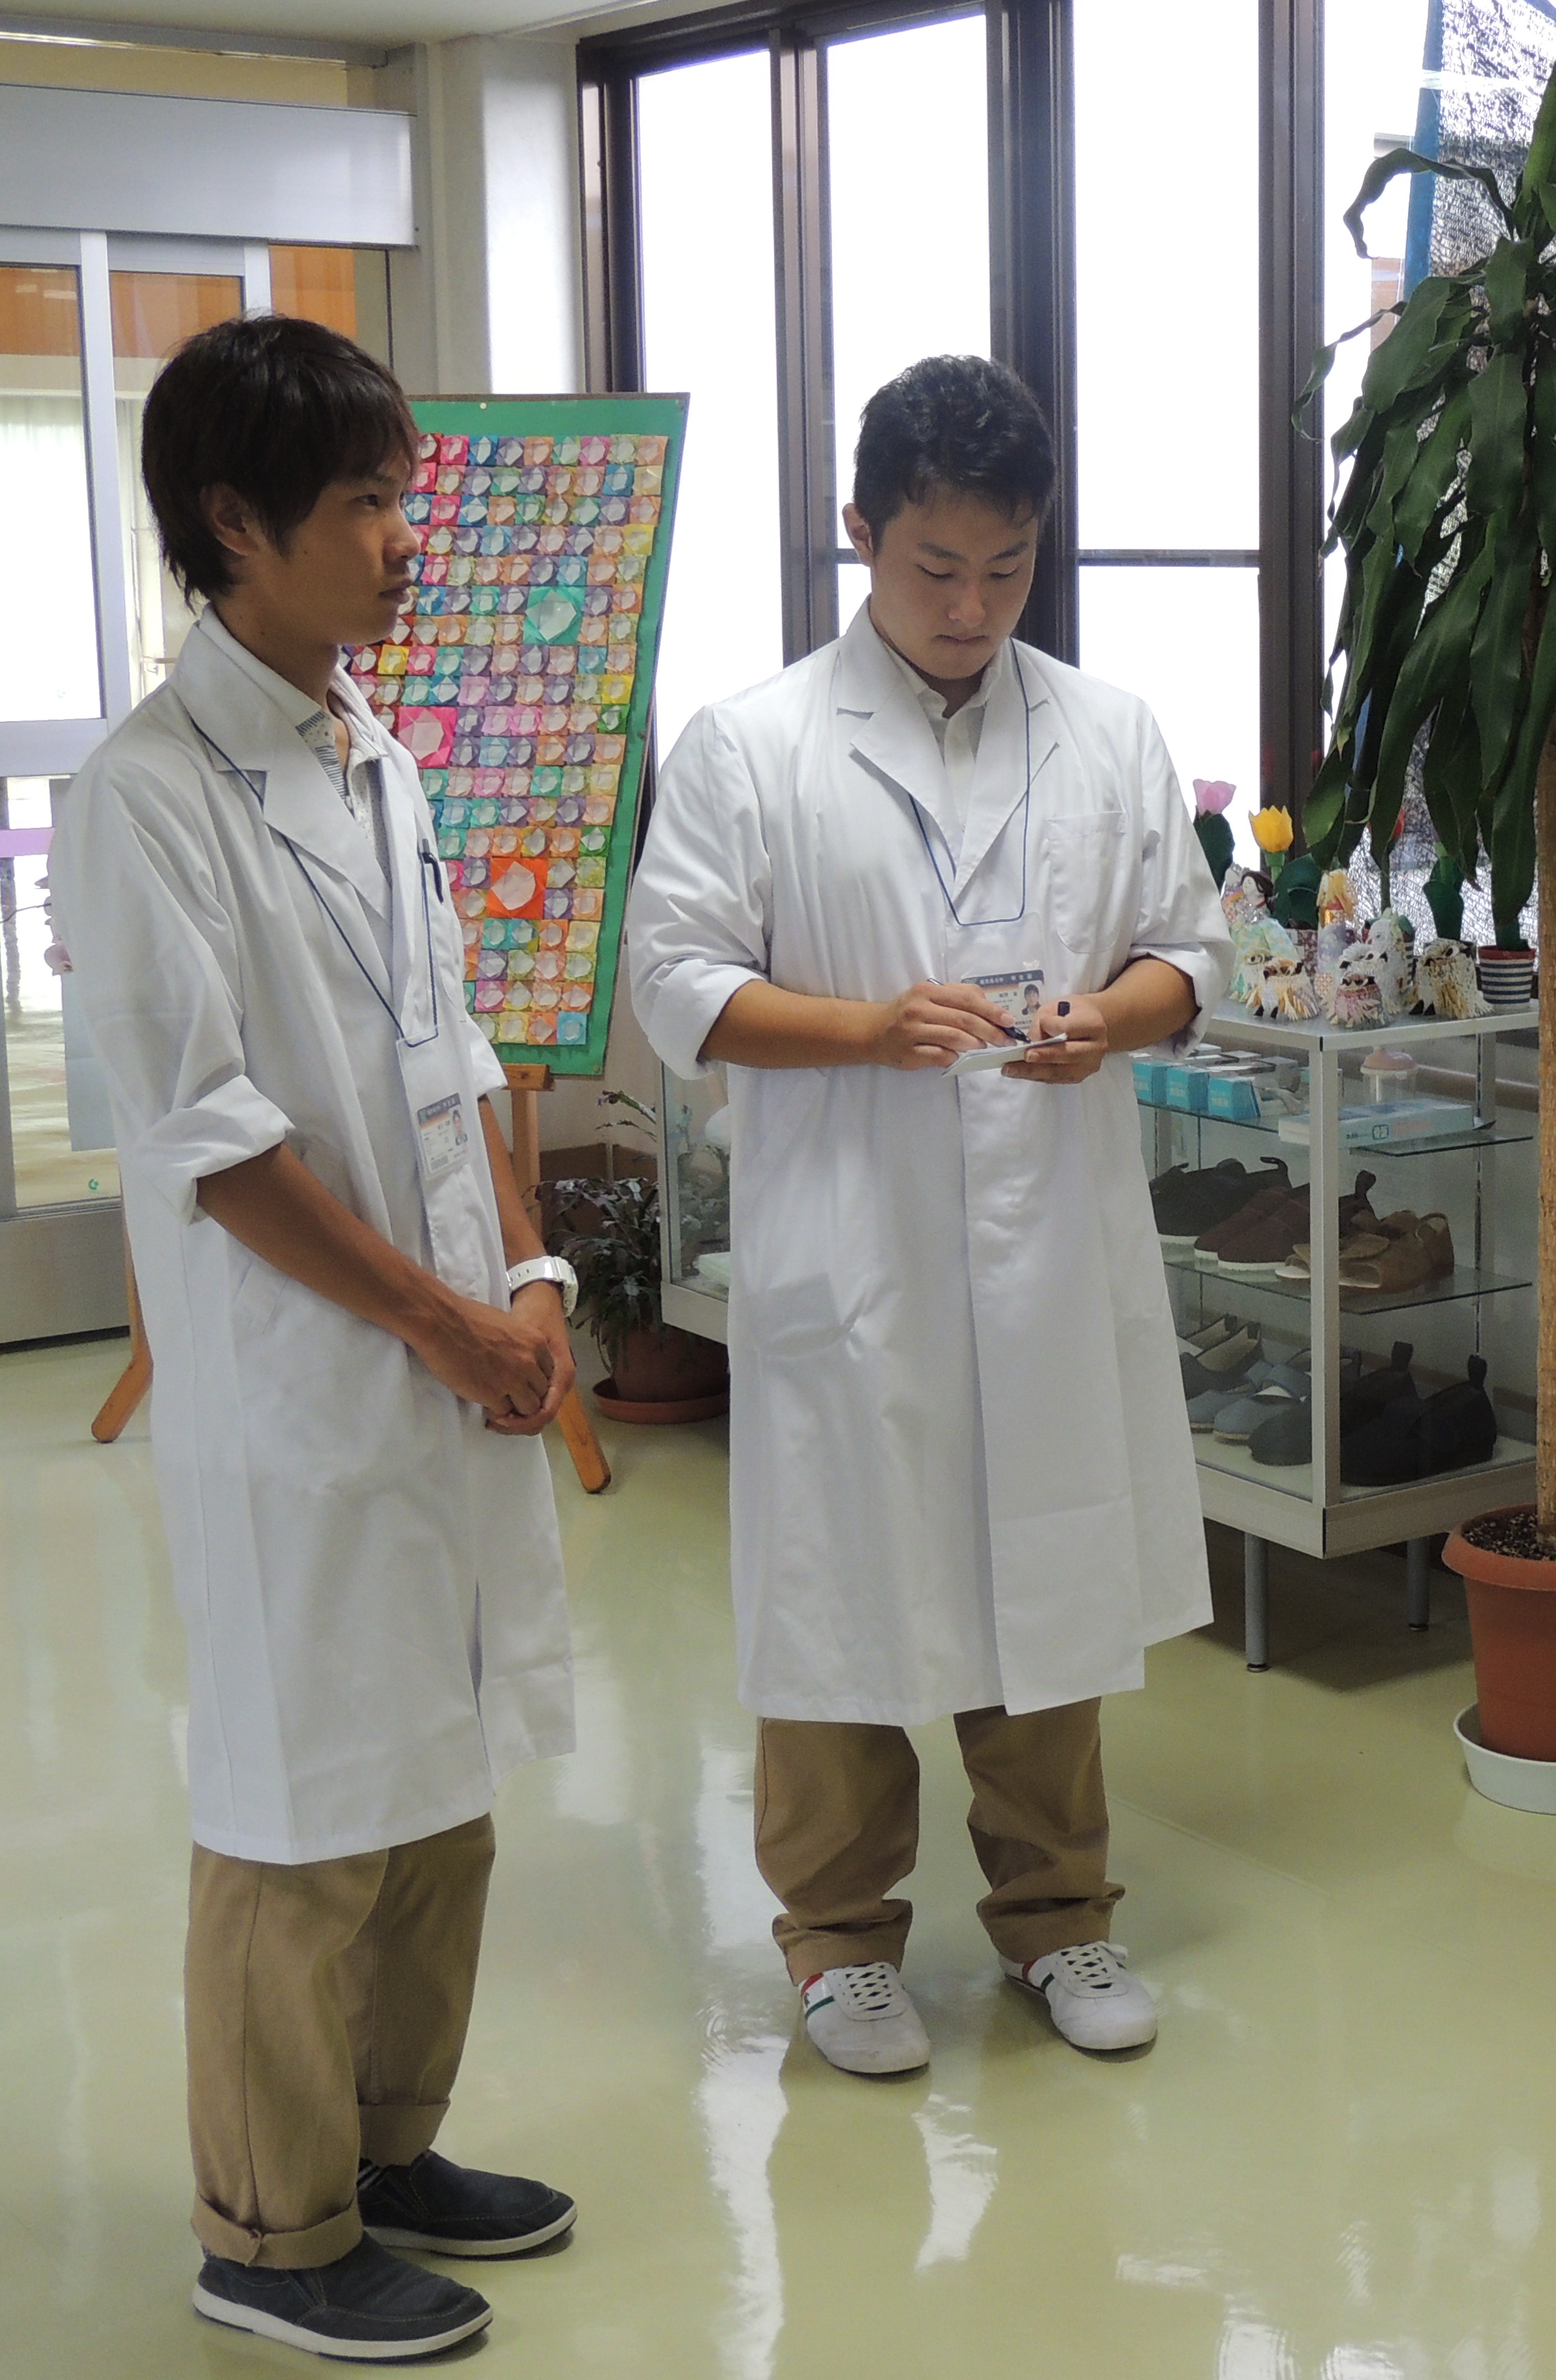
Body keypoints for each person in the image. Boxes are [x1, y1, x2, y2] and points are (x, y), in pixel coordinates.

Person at [54, 315, 585, 2361]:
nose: (402, 541)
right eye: (365, 504)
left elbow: (452, 1060)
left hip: (443, 1358)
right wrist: (441, 1321)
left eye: (400, 496)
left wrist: (528, 1286)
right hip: (304, 1383)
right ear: (235, 524)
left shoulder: (378, 756)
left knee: (439, 1778)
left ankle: (384, 2148)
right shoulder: (144, 796)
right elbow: (215, 1146)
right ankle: (271, 2236)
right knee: (300, 1806)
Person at [624, 355, 1229, 2079]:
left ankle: (1059, 1914)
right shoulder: (754, 744)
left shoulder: (1107, 731)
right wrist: (866, 1030)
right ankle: (838, 1939)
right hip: (855, 1246)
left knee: (1047, 1575)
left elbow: (1189, 948)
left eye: (1008, 568)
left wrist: (1111, 1018)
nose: (971, 608)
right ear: (860, 533)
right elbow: (675, 983)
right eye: (934, 568)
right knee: (843, 1593)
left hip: (1044, 1238)